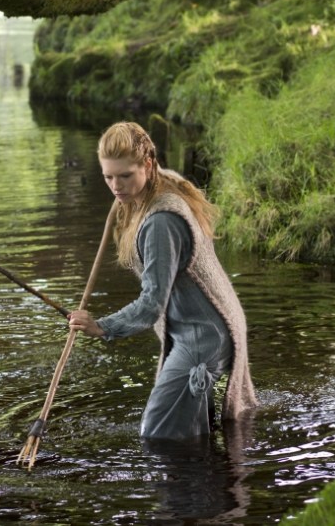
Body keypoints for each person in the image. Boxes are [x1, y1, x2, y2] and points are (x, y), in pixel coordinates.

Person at [69, 121, 257, 441]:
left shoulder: (161, 222)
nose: (116, 186)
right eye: (108, 177)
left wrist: (101, 327)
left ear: (147, 165)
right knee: (191, 433)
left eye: (125, 176)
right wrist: (128, 186)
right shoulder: (161, 185)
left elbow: (152, 303)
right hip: (208, 325)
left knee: (158, 435)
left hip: (203, 337)